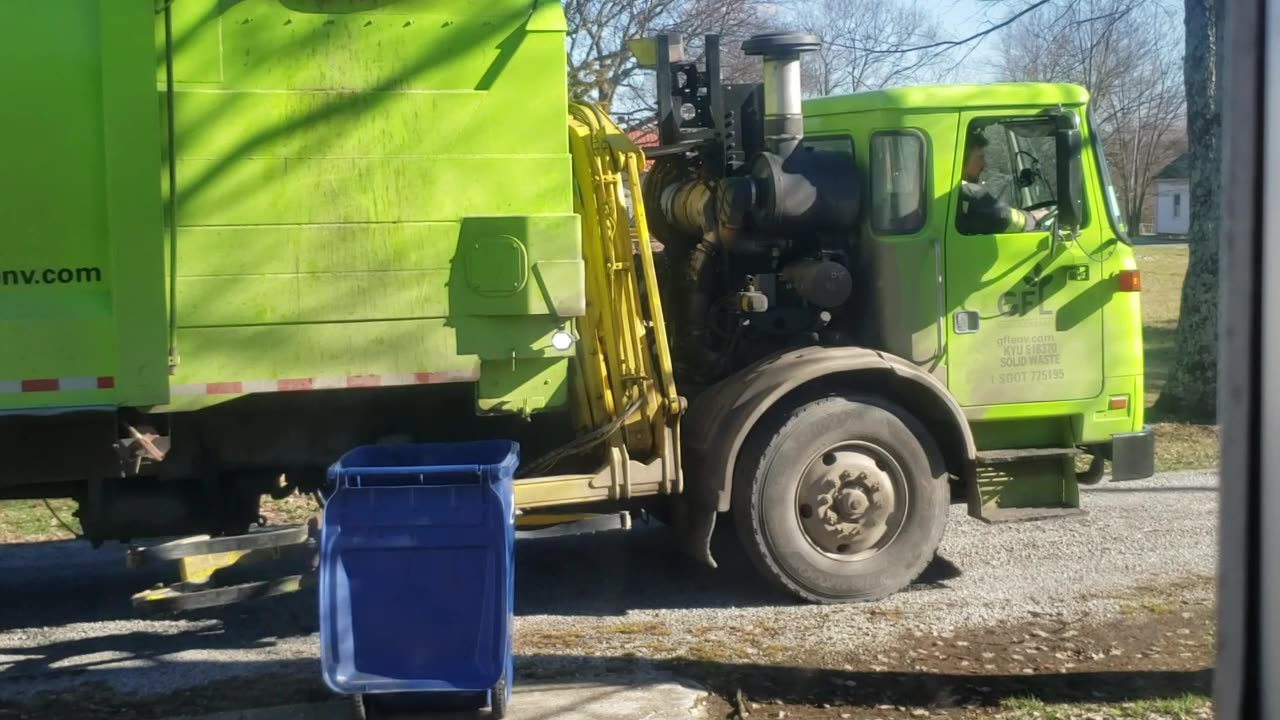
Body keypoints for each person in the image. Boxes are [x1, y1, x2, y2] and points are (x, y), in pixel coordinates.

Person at [956, 130, 1052, 235]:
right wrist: (1032, 218)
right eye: (980, 157)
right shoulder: (968, 193)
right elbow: (1000, 216)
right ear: (962, 159)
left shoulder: (953, 192)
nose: (984, 164)